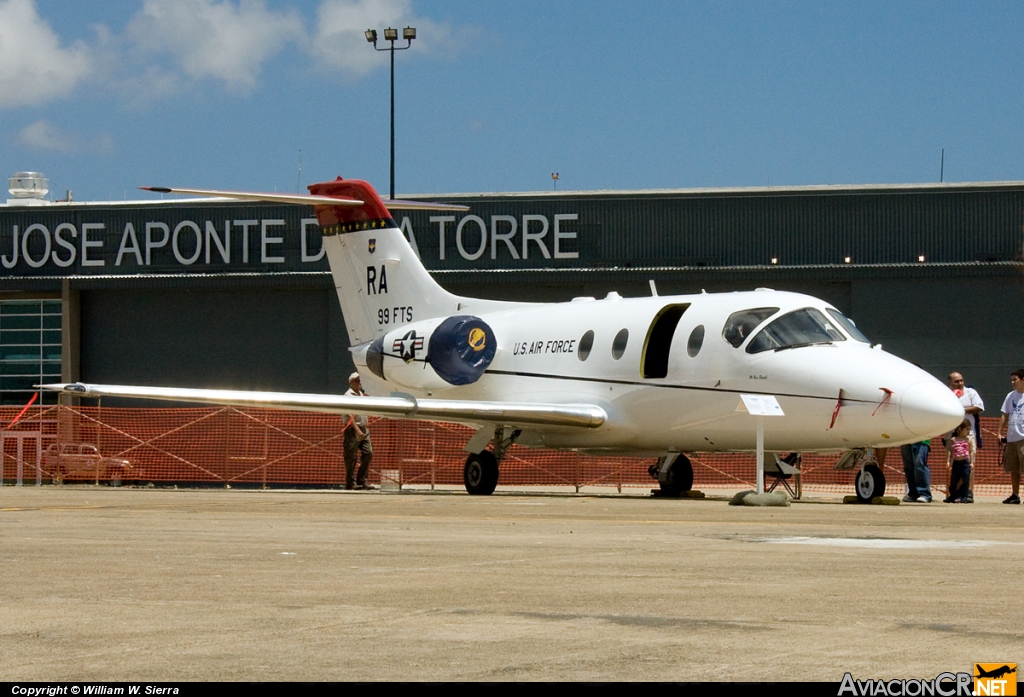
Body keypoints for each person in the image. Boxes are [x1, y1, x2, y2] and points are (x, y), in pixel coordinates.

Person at [947, 372, 984, 503]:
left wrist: (961, 409)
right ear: (950, 383)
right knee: (954, 466)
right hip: (952, 433)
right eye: (956, 381)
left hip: (969, 434)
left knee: (968, 465)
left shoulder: (970, 392)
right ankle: (954, 493)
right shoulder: (946, 394)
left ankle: (968, 492)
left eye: (961, 381)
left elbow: (979, 407)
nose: (960, 383)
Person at [342, 372, 375, 490]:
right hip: (353, 430)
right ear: (351, 383)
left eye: (360, 380)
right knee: (351, 457)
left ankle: (362, 480)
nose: (359, 383)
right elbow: (349, 415)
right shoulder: (348, 396)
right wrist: (357, 430)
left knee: (368, 452)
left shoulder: (361, 394)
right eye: (356, 381)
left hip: (364, 429)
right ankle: (350, 483)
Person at [997, 368, 1024, 504]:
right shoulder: (1010, 396)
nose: (1013, 382)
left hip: (1023, 437)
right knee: (1014, 468)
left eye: (1015, 379)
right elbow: (1005, 415)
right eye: (1012, 380)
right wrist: (1000, 432)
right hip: (1012, 436)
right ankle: (1015, 494)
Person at [945, 419, 972, 503]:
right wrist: (948, 461)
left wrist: (972, 462)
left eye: (969, 429)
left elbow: (971, 452)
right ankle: (953, 495)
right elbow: (950, 451)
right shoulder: (953, 439)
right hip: (956, 462)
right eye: (966, 429)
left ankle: (962, 496)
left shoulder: (968, 440)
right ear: (960, 429)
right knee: (954, 480)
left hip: (965, 462)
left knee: (965, 479)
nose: (968, 431)